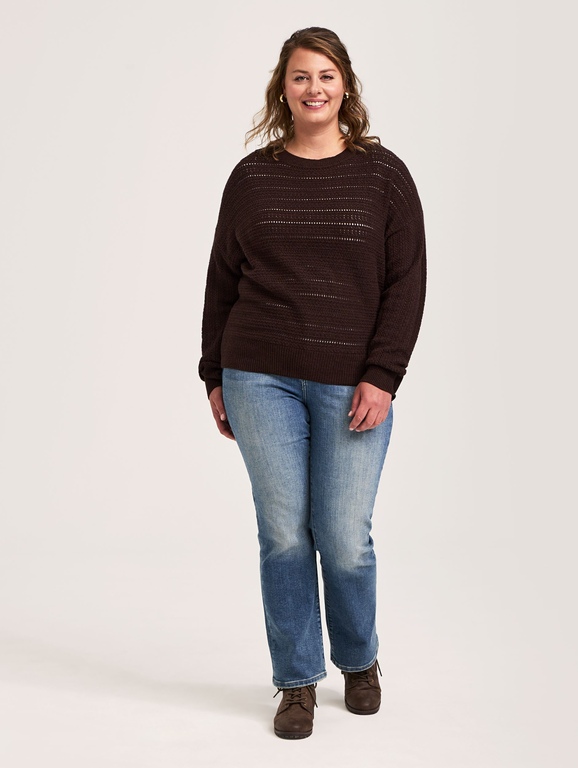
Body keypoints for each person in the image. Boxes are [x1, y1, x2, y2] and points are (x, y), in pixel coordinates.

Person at [199, 26, 426, 739]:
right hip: (257, 374)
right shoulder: (252, 177)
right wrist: (214, 374)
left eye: (326, 75)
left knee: (343, 535)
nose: (314, 88)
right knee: (283, 534)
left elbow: (406, 283)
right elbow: (222, 279)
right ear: (284, 89)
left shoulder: (384, 175)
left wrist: (382, 375)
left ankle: (359, 660)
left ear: (345, 86)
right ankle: (296, 680)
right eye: (300, 76)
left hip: (351, 383)